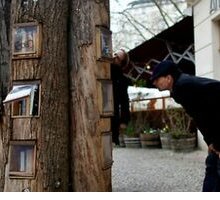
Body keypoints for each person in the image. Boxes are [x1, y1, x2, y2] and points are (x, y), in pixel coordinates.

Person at [150, 60, 220, 192]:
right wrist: (211, 142)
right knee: (212, 165)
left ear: (168, 78)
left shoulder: (183, 87)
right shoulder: (181, 86)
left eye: (156, 79)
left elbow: (211, 113)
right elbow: (200, 116)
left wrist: (217, 142)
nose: (154, 83)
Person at [111, 49, 131, 146]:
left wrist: (124, 120)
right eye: (114, 54)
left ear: (121, 63)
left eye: (117, 57)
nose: (114, 57)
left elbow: (125, 102)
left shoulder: (122, 80)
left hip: (111, 116)